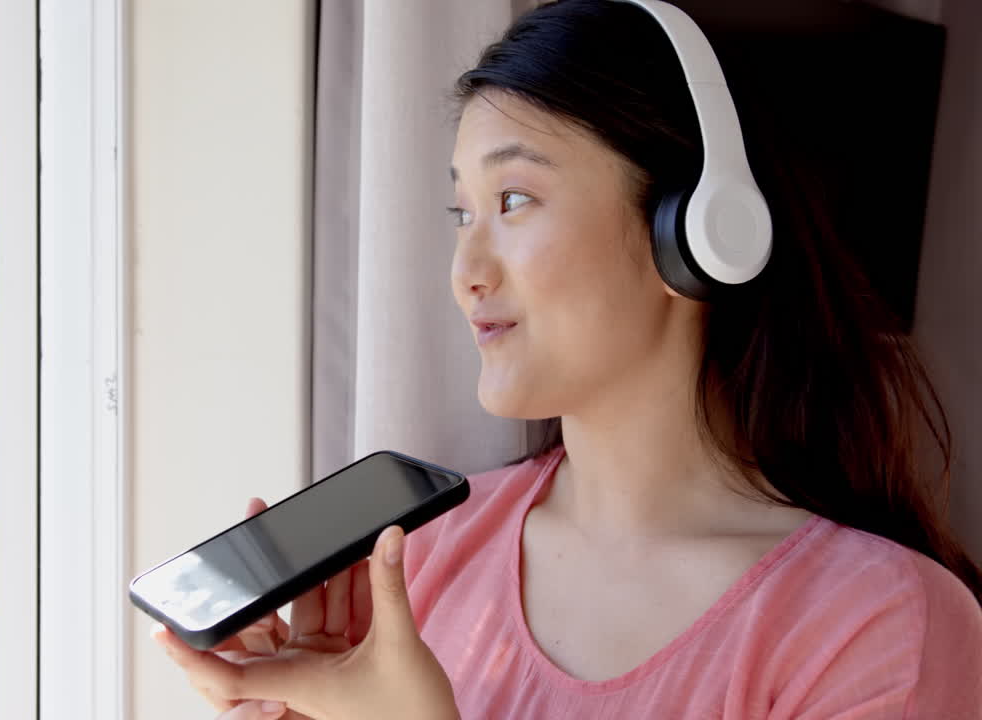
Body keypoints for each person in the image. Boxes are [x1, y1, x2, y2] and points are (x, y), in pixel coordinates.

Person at [152, 1, 982, 717]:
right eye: (460, 212)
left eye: (513, 200)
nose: (465, 271)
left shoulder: (877, 625)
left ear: (696, 232)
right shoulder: (417, 565)